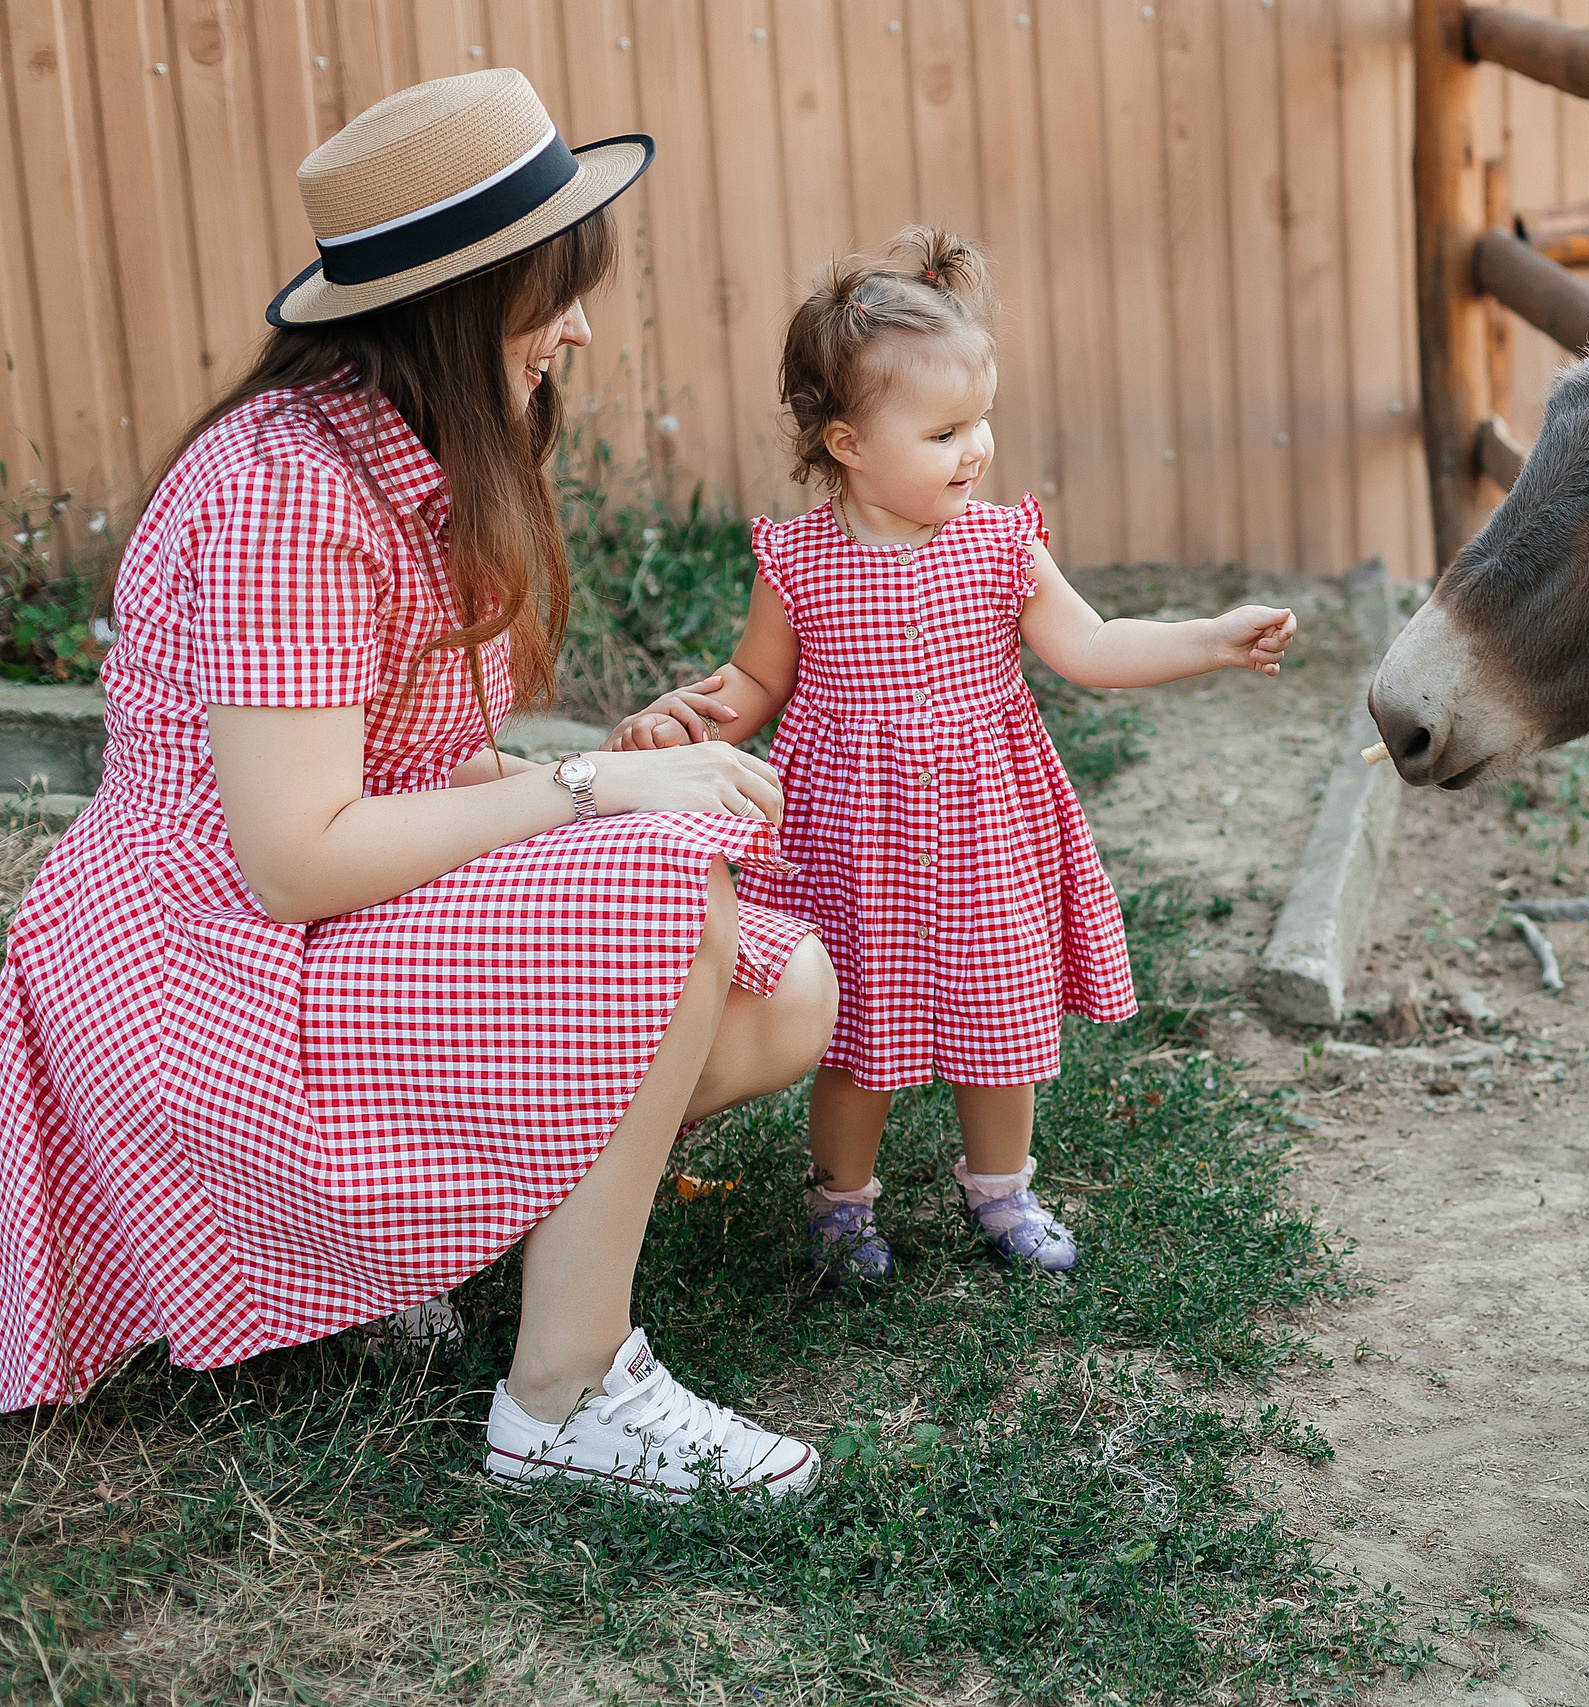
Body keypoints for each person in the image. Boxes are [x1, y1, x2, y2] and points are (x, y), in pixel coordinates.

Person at [0, 71, 838, 1503]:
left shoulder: (413, 450)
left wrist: (598, 774)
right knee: (667, 892)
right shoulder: (285, 492)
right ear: (458, 305)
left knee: (788, 990)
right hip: (206, 971)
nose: (579, 328)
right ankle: (565, 1397)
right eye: (552, 294)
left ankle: (399, 1247)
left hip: (309, 931)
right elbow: (294, 858)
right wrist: (586, 794)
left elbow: (416, 760)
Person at [608, 229, 1295, 1285]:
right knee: (858, 1028)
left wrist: (1211, 638)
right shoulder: (798, 563)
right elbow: (755, 681)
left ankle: (1003, 1188)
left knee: (1001, 1015)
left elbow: (1092, 645)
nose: (974, 449)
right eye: (942, 432)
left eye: (980, 420)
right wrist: (685, 727)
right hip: (853, 839)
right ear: (847, 443)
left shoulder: (1001, 544)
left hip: (987, 825)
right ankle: (841, 1202)